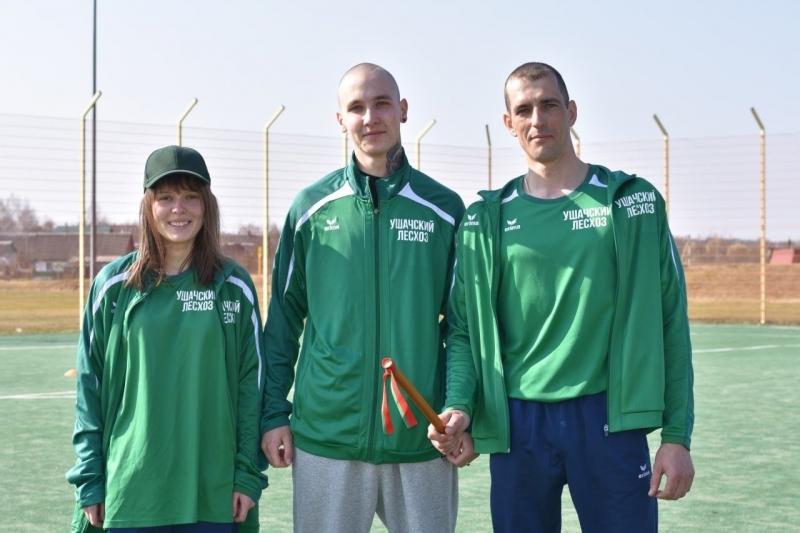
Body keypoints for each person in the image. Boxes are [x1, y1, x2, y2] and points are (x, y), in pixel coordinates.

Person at [432, 62, 695, 532]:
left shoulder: (630, 203)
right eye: (524, 110)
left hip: (607, 416)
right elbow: (465, 331)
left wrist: (677, 435)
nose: (538, 119)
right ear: (508, 123)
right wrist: (462, 406)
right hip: (519, 423)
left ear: (571, 112)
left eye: (549, 105)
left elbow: (670, 320)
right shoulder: (483, 220)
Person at [260, 63, 474, 533]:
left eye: (381, 104)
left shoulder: (444, 210)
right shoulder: (310, 210)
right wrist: (274, 412)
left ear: (403, 110)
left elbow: (461, 326)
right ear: (341, 119)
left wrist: (459, 405)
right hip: (327, 437)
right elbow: (283, 321)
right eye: (356, 107)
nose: (370, 117)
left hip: (422, 438)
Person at [66, 145, 267, 532]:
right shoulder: (112, 286)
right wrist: (90, 474)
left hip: (212, 489)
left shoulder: (234, 286)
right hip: (131, 488)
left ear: (207, 206)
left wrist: (246, 473)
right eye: (166, 198)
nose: (179, 209)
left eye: (191, 197)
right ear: (148, 206)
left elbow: (250, 387)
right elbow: (89, 388)